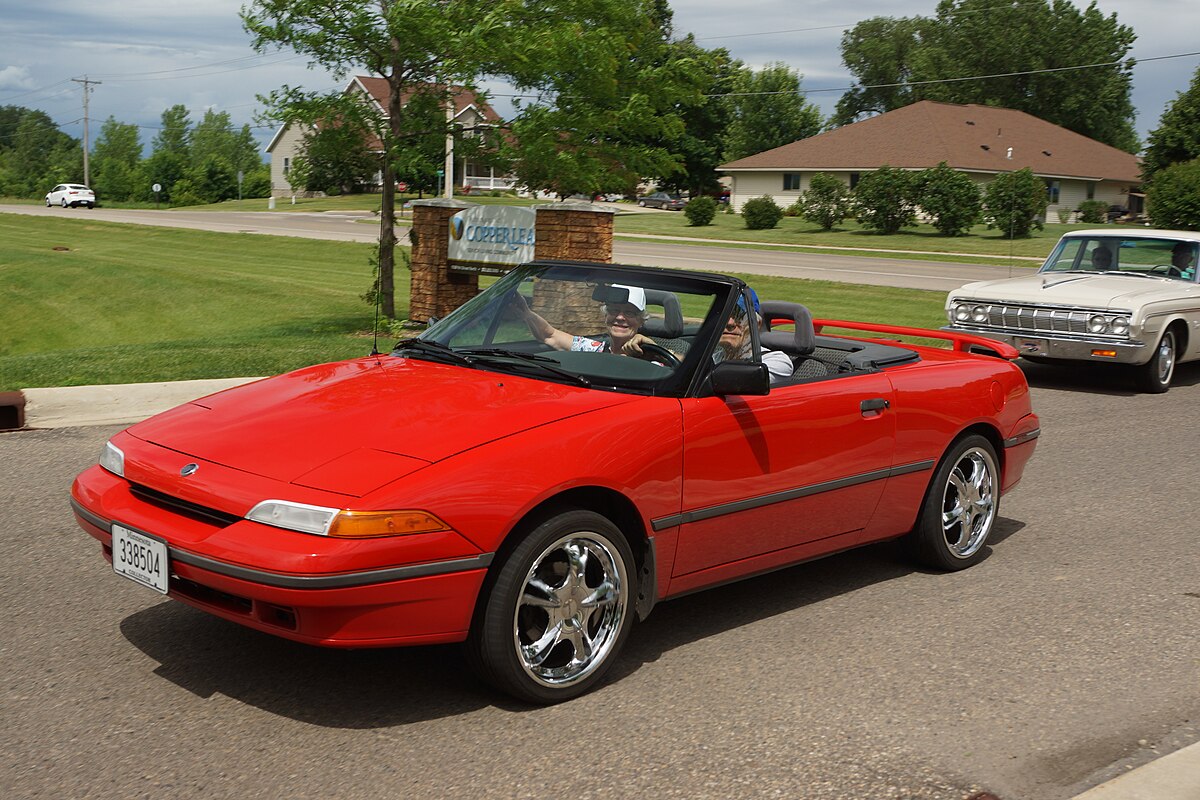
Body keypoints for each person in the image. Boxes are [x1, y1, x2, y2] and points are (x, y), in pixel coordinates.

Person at [510, 284, 657, 357]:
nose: (620, 317)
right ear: (606, 316)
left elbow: (680, 367)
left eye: (629, 313)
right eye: (613, 310)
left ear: (641, 320)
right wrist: (526, 313)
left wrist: (655, 350)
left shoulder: (650, 357)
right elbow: (550, 335)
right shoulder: (592, 349)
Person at [718, 288, 794, 385]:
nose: (730, 322)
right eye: (724, 315)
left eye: (740, 316)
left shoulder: (776, 361)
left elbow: (734, 386)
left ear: (756, 325)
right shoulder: (711, 355)